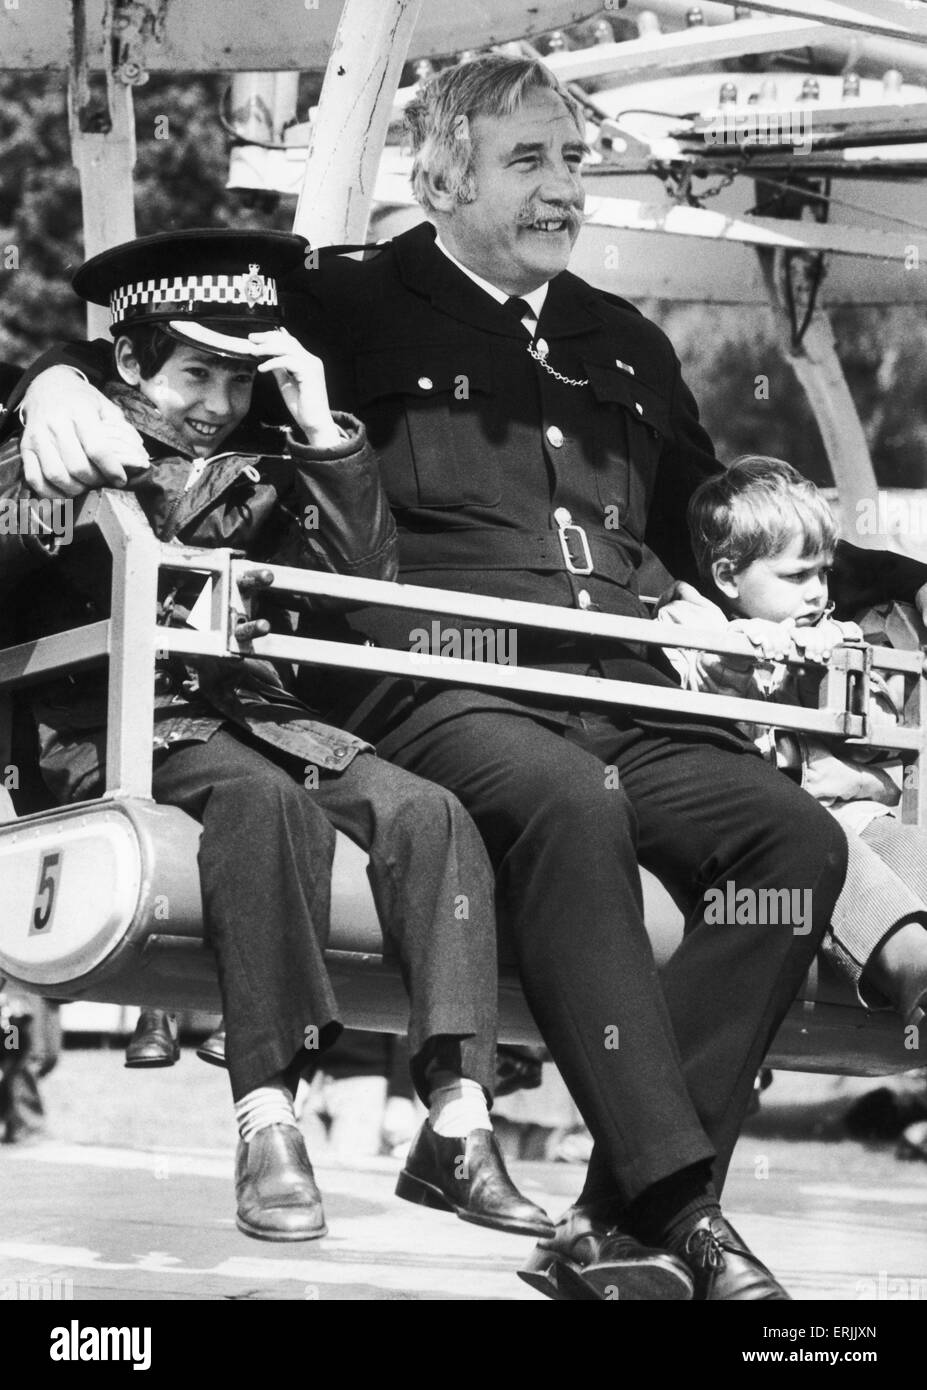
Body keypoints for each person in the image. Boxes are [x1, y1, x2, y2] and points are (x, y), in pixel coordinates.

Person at [12, 57, 927, 1301]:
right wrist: (49, 386)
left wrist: (896, 582)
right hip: (442, 686)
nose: (565, 190)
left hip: (625, 688)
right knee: (569, 801)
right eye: (531, 161)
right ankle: (680, 1209)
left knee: (793, 848)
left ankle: (619, 1208)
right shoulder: (347, 303)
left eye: (575, 163)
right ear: (440, 179)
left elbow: (704, 524)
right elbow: (159, 345)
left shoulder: (628, 344)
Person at [0, 228, 552, 1244]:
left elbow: (366, 584)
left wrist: (315, 422)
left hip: (264, 723)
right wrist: (62, 470)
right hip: (117, 728)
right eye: (196, 372)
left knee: (430, 813)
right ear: (128, 360)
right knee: (263, 805)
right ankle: (268, 1118)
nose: (218, 401)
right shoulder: (58, 448)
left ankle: (459, 1121)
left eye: (239, 378)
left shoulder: (263, 466)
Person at [659, 455, 927, 1029]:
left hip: (852, 804)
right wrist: (793, 658)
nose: (816, 593)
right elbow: (724, 667)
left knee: (910, 846)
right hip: (780, 818)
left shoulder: (837, 633)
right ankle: (911, 966)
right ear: (729, 576)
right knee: (839, 858)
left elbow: (877, 728)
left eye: (823, 573)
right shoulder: (696, 626)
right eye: (796, 576)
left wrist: (862, 679)